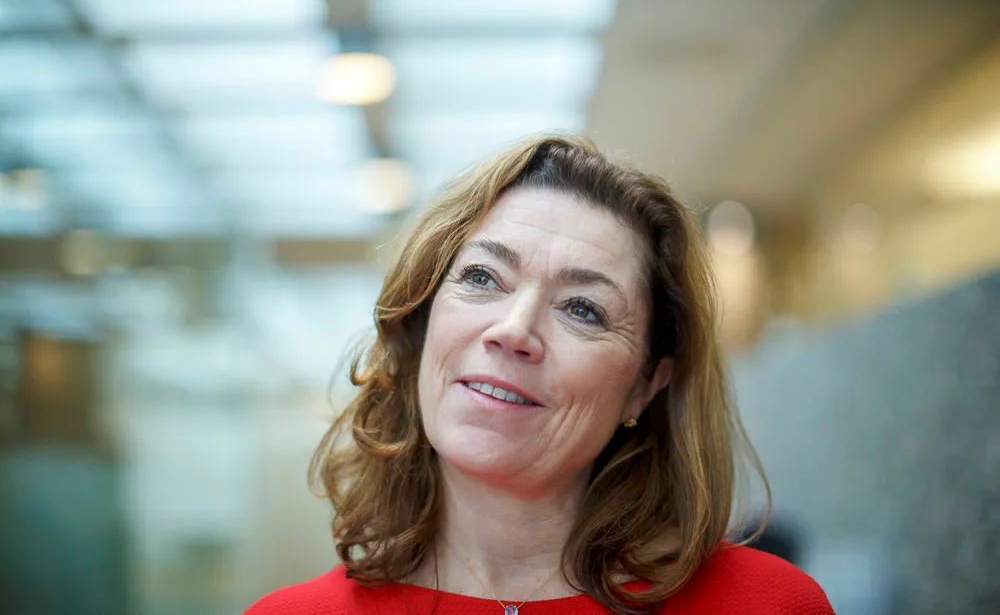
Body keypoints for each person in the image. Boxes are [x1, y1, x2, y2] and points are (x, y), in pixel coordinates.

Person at [246, 136, 833, 614]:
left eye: (583, 309)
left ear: (645, 384)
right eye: (482, 278)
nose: (513, 330)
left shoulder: (770, 606)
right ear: (421, 321)